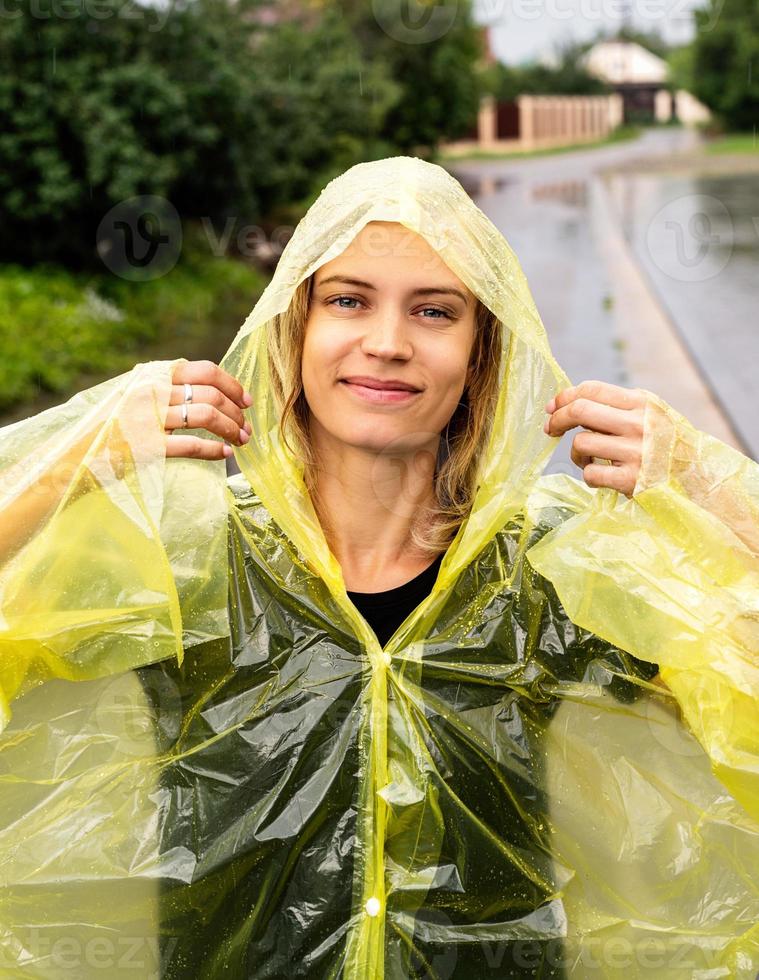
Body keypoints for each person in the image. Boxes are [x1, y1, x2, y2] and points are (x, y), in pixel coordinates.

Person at [0, 157, 757, 979]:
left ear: (479, 355)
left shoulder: (551, 570)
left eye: (434, 311)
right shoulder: (188, 559)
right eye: (348, 300)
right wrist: (84, 455)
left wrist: (707, 485)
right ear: (297, 327)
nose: (387, 343)